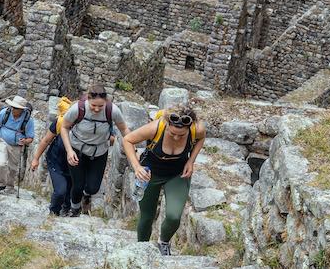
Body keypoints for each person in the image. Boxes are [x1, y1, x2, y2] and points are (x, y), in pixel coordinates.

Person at [122, 104, 206, 256]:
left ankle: (164, 242)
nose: (176, 137)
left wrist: (191, 161)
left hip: (177, 174)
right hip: (150, 174)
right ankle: (142, 250)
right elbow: (127, 140)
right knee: (147, 216)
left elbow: (201, 138)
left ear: (189, 128)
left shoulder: (196, 129)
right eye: (172, 133)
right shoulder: (155, 128)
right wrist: (137, 167)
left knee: (174, 216)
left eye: (181, 135)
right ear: (167, 124)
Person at [60, 84, 130, 215]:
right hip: (77, 150)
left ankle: (87, 195)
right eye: (93, 106)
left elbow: (124, 129)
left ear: (106, 102)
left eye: (100, 106)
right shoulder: (78, 109)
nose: (97, 109)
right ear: (88, 100)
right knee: (78, 185)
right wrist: (69, 150)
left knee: (93, 187)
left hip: (99, 152)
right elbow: (64, 127)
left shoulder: (112, 111)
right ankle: (75, 209)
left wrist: (132, 145)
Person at [30, 97, 73, 216]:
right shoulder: (59, 122)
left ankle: (66, 209)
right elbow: (45, 140)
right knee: (60, 191)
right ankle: (53, 212)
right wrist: (35, 158)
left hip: (74, 165)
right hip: (56, 161)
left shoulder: (84, 125)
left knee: (70, 191)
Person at [0, 95, 34, 195]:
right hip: (3, 141)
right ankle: (0, 184)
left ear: (21, 109)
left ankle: (10, 186)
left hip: (17, 145)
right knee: (1, 163)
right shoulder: (5, 113)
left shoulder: (28, 120)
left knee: (13, 168)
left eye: (16, 108)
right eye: (12, 106)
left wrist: (25, 141)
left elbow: (30, 138)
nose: (13, 109)